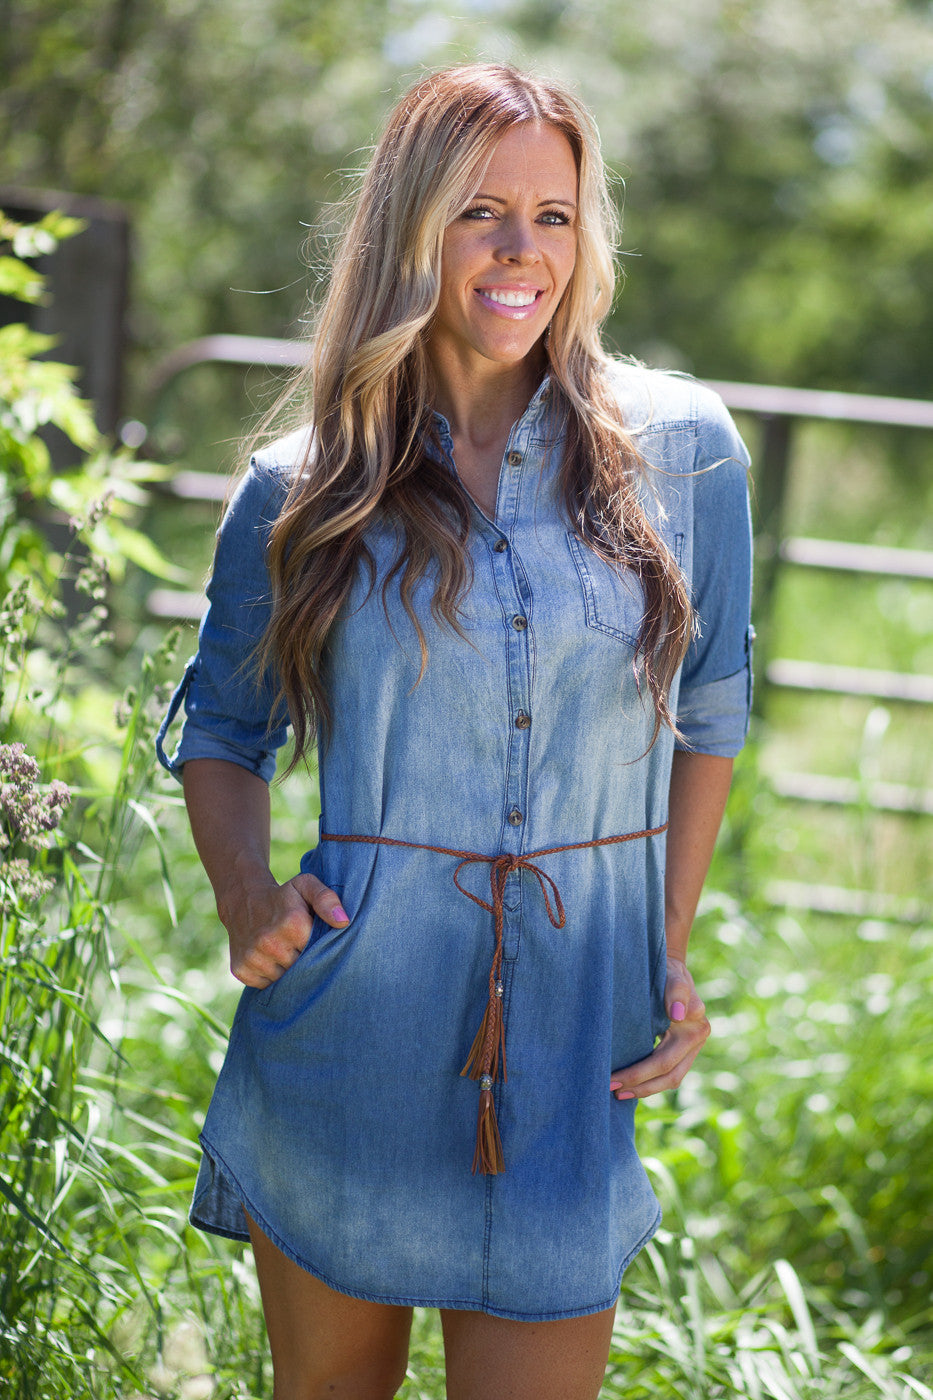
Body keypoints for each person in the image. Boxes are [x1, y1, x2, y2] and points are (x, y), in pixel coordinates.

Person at [157, 61, 753, 1400]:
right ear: (407, 227)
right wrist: (246, 894)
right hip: (346, 1030)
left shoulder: (685, 451)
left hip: (571, 1041)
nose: (516, 252)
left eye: (552, 215)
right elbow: (223, 725)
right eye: (478, 210)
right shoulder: (301, 485)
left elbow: (711, 713)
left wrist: (660, 949)